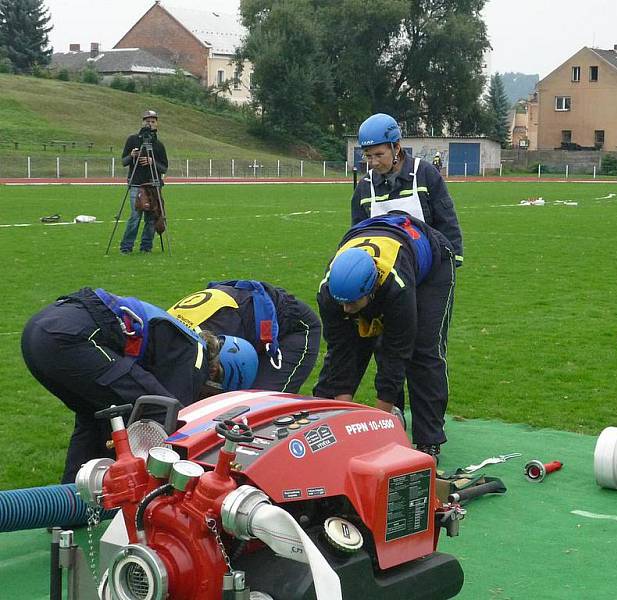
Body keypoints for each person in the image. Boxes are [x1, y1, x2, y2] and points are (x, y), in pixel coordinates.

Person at [21, 288, 258, 483]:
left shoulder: (178, 338)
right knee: (164, 414)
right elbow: (172, 422)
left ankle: (70, 506)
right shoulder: (194, 355)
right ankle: (142, 504)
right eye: (209, 394)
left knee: (96, 420)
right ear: (215, 372)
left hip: (39, 334)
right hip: (71, 338)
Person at [314, 213, 456, 463]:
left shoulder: (395, 288)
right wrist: (345, 415)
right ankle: (324, 425)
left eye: (352, 304)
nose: (346, 310)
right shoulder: (329, 293)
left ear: (372, 290)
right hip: (376, 251)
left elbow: (396, 353)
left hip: (432, 265)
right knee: (351, 347)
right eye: (342, 304)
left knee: (422, 351)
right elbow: (340, 351)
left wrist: (377, 427)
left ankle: (428, 440)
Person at [168, 280, 322, 393]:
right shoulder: (168, 339)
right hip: (241, 320)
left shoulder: (196, 355)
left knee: (260, 405)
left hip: (293, 328)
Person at [351, 113, 463, 268]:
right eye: (368, 156)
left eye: (379, 155)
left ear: (396, 147)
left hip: (428, 268)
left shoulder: (425, 173)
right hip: (384, 274)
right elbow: (358, 234)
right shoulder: (364, 186)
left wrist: (452, 259)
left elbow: (446, 220)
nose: (374, 162)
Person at [120, 110, 168, 254]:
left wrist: (152, 161)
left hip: (153, 184)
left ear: (156, 124)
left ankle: (146, 247)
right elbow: (124, 161)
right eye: (147, 121)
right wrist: (132, 155)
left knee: (151, 217)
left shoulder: (159, 145)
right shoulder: (132, 140)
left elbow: (164, 167)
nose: (150, 124)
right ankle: (126, 247)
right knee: (135, 216)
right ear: (142, 122)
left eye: (153, 121)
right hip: (136, 184)